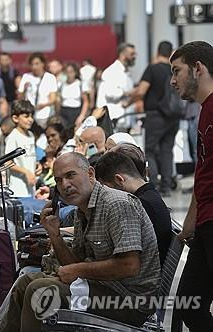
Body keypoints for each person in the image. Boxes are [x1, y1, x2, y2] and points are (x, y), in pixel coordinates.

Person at [0, 152, 160, 331]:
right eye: (58, 180)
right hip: (103, 287)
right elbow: (72, 265)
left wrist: (77, 269)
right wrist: (54, 235)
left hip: (129, 301)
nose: (65, 185)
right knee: (24, 282)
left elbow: (129, 265)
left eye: (70, 175)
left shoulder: (117, 204)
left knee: (38, 290)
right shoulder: (83, 210)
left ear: (90, 174)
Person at [170, 40, 213, 331]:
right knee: (189, 301)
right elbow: (204, 170)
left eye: (177, 71)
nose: (173, 81)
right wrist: (190, 221)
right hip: (205, 221)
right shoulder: (204, 111)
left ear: (198, 68)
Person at [95, 151, 172, 265]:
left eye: (106, 189)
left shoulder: (137, 205)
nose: (105, 195)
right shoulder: (150, 196)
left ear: (119, 180)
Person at [126, 41, 179, 196]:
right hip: (173, 115)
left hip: (156, 115)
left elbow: (141, 91)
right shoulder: (173, 70)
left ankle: (153, 184)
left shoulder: (153, 69)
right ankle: (167, 186)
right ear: (170, 53)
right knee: (167, 150)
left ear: (157, 52)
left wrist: (127, 102)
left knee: (149, 150)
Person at [96, 43, 136, 122]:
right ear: (122, 54)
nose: (134, 57)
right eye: (132, 54)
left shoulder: (127, 72)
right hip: (114, 119)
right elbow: (110, 92)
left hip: (125, 119)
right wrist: (128, 93)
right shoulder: (112, 71)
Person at [17, 53, 57, 130]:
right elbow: (20, 97)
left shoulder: (50, 77)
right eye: (32, 64)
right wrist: (24, 90)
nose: (34, 67)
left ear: (43, 64)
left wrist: (42, 105)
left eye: (37, 64)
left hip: (45, 115)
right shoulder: (26, 76)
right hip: (30, 115)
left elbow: (53, 99)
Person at [5, 100, 36, 198]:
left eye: (31, 116)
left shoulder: (31, 135)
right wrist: (26, 172)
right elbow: (7, 162)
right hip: (18, 190)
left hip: (31, 189)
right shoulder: (13, 137)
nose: (30, 119)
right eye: (26, 116)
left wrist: (37, 165)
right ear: (15, 118)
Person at [57, 62, 89, 129]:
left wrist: (82, 116)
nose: (69, 74)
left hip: (76, 111)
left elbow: (86, 101)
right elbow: (59, 100)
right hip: (64, 111)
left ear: (75, 72)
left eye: (71, 72)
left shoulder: (80, 84)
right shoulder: (61, 84)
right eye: (67, 72)